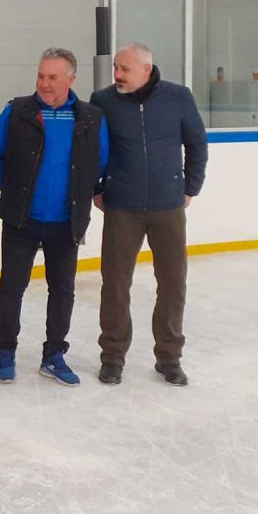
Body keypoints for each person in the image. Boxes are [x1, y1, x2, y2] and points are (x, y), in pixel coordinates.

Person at [0, 47, 109, 386]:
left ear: (71, 79)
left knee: (63, 291)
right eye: (41, 75)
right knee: (12, 287)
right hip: (22, 219)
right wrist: (14, 192)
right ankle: (6, 351)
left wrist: (79, 196)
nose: (44, 83)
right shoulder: (17, 111)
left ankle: (54, 355)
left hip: (66, 221)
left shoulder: (90, 117)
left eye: (52, 77)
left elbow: (98, 163)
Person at [90, 43, 208, 386]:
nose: (117, 75)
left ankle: (169, 357)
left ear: (146, 69)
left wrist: (190, 188)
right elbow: (92, 149)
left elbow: (197, 144)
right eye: (115, 68)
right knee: (114, 285)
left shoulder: (178, 97)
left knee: (172, 284)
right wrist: (96, 188)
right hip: (122, 206)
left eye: (124, 69)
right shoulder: (104, 101)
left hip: (167, 206)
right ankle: (112, 356)